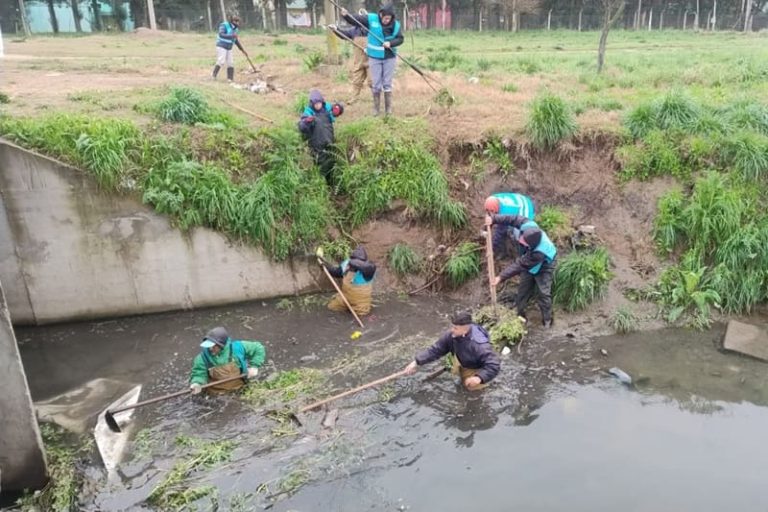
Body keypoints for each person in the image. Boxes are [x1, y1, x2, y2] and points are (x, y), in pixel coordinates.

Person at [487, 214, 557, 328]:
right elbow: (512, 219)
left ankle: (547, 320)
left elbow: (520, 265)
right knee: (523, 289)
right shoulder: (528, 225)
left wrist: (500, 277)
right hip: (529, 259)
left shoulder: (539, 253)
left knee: (543, 292)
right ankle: (520, 314)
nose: (520, 240)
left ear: (531, 245)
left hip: (545, 265)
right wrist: (494, 219)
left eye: (524, 241)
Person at [404, 311, 500, 390]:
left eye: (455, 328)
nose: (452, 330)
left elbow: (494, 364)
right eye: (452, 326)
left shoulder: (480, 345)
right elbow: (436, 349)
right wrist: (416, 362)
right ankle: (456, 370)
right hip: (460, 357)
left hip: (475, 367)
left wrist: (479, 378)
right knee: (454, 370)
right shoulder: (452, 335)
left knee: (473, 391)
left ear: (465, 330)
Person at [341, 3, 404, 116]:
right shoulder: (371, 19)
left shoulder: (396, 25)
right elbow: (356, 20)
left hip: (389, 57)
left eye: (389, 18)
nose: (386, 20)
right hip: (374, 57)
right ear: (380, 15)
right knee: (376, 84)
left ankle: (388, 110)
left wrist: (390, 43)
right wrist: (346, 16)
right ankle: (376, 110)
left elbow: (400, 39)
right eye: (385, 18)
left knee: (387, 83)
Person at [189, 327, 265, 394]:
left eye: (213, 346)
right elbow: (199, 374)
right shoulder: (202, 358)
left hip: (240, 388)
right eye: (208, 346)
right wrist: (197, 384)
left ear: (221, 345)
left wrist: (254, 366)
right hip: (216, 394)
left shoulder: (237, 348)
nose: (210, 349)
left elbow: (258, 348)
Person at [298, 89, 344, 186]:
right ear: (312, 104)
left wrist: (338, 108)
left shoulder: (327, 108)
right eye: (316, 104)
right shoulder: (309, 112)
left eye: (319, 103)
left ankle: (332, 184)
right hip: (316, 146)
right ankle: (322, 185)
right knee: (322, 165)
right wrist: (306, 122)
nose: (318, 105)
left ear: (322, 102)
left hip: (329, 141)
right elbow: (302, 127)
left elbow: (337, 111)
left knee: (331, 162)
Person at [320, 245, 376, 316]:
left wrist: (352, 263)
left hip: (360, 302)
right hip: (345, 298)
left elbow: (370, 267)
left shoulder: (368, 271)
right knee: (331, 307)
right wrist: (326, 267)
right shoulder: (347, 264)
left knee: (362, 315)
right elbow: (337, 273)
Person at [330, 22, 372, 104]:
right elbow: (343, 34)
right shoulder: (354, 30)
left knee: (372, 81)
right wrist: (335, 29)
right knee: (356, 81)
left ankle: (377, 98)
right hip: (358, 61)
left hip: (371, 61)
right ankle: (354, 98)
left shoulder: (372, 30)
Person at [484, 192, 535, 257]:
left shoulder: (505, 211)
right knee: (506, 224)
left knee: (520, 233)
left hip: (525, 207)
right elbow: (490, 217)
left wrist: (492, 248)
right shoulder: (493, 198)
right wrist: (485, 230)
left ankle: (524, 254)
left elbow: (500, 231)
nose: (490, 213)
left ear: (497, 210)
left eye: (492, 212)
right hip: (518, 200)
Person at [211, 14, 244, 82]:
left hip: (229, 47)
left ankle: (230, 79)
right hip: (221, 45)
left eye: (238, 22)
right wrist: (231, 35)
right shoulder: (224, 25)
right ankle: (213, 75)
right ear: (232, 21)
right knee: (221, 61)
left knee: (230, 63)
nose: (237, 23)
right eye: (236, 21)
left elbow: (235, 40)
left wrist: (242, 50)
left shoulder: (236, 29)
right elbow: (221, 34)